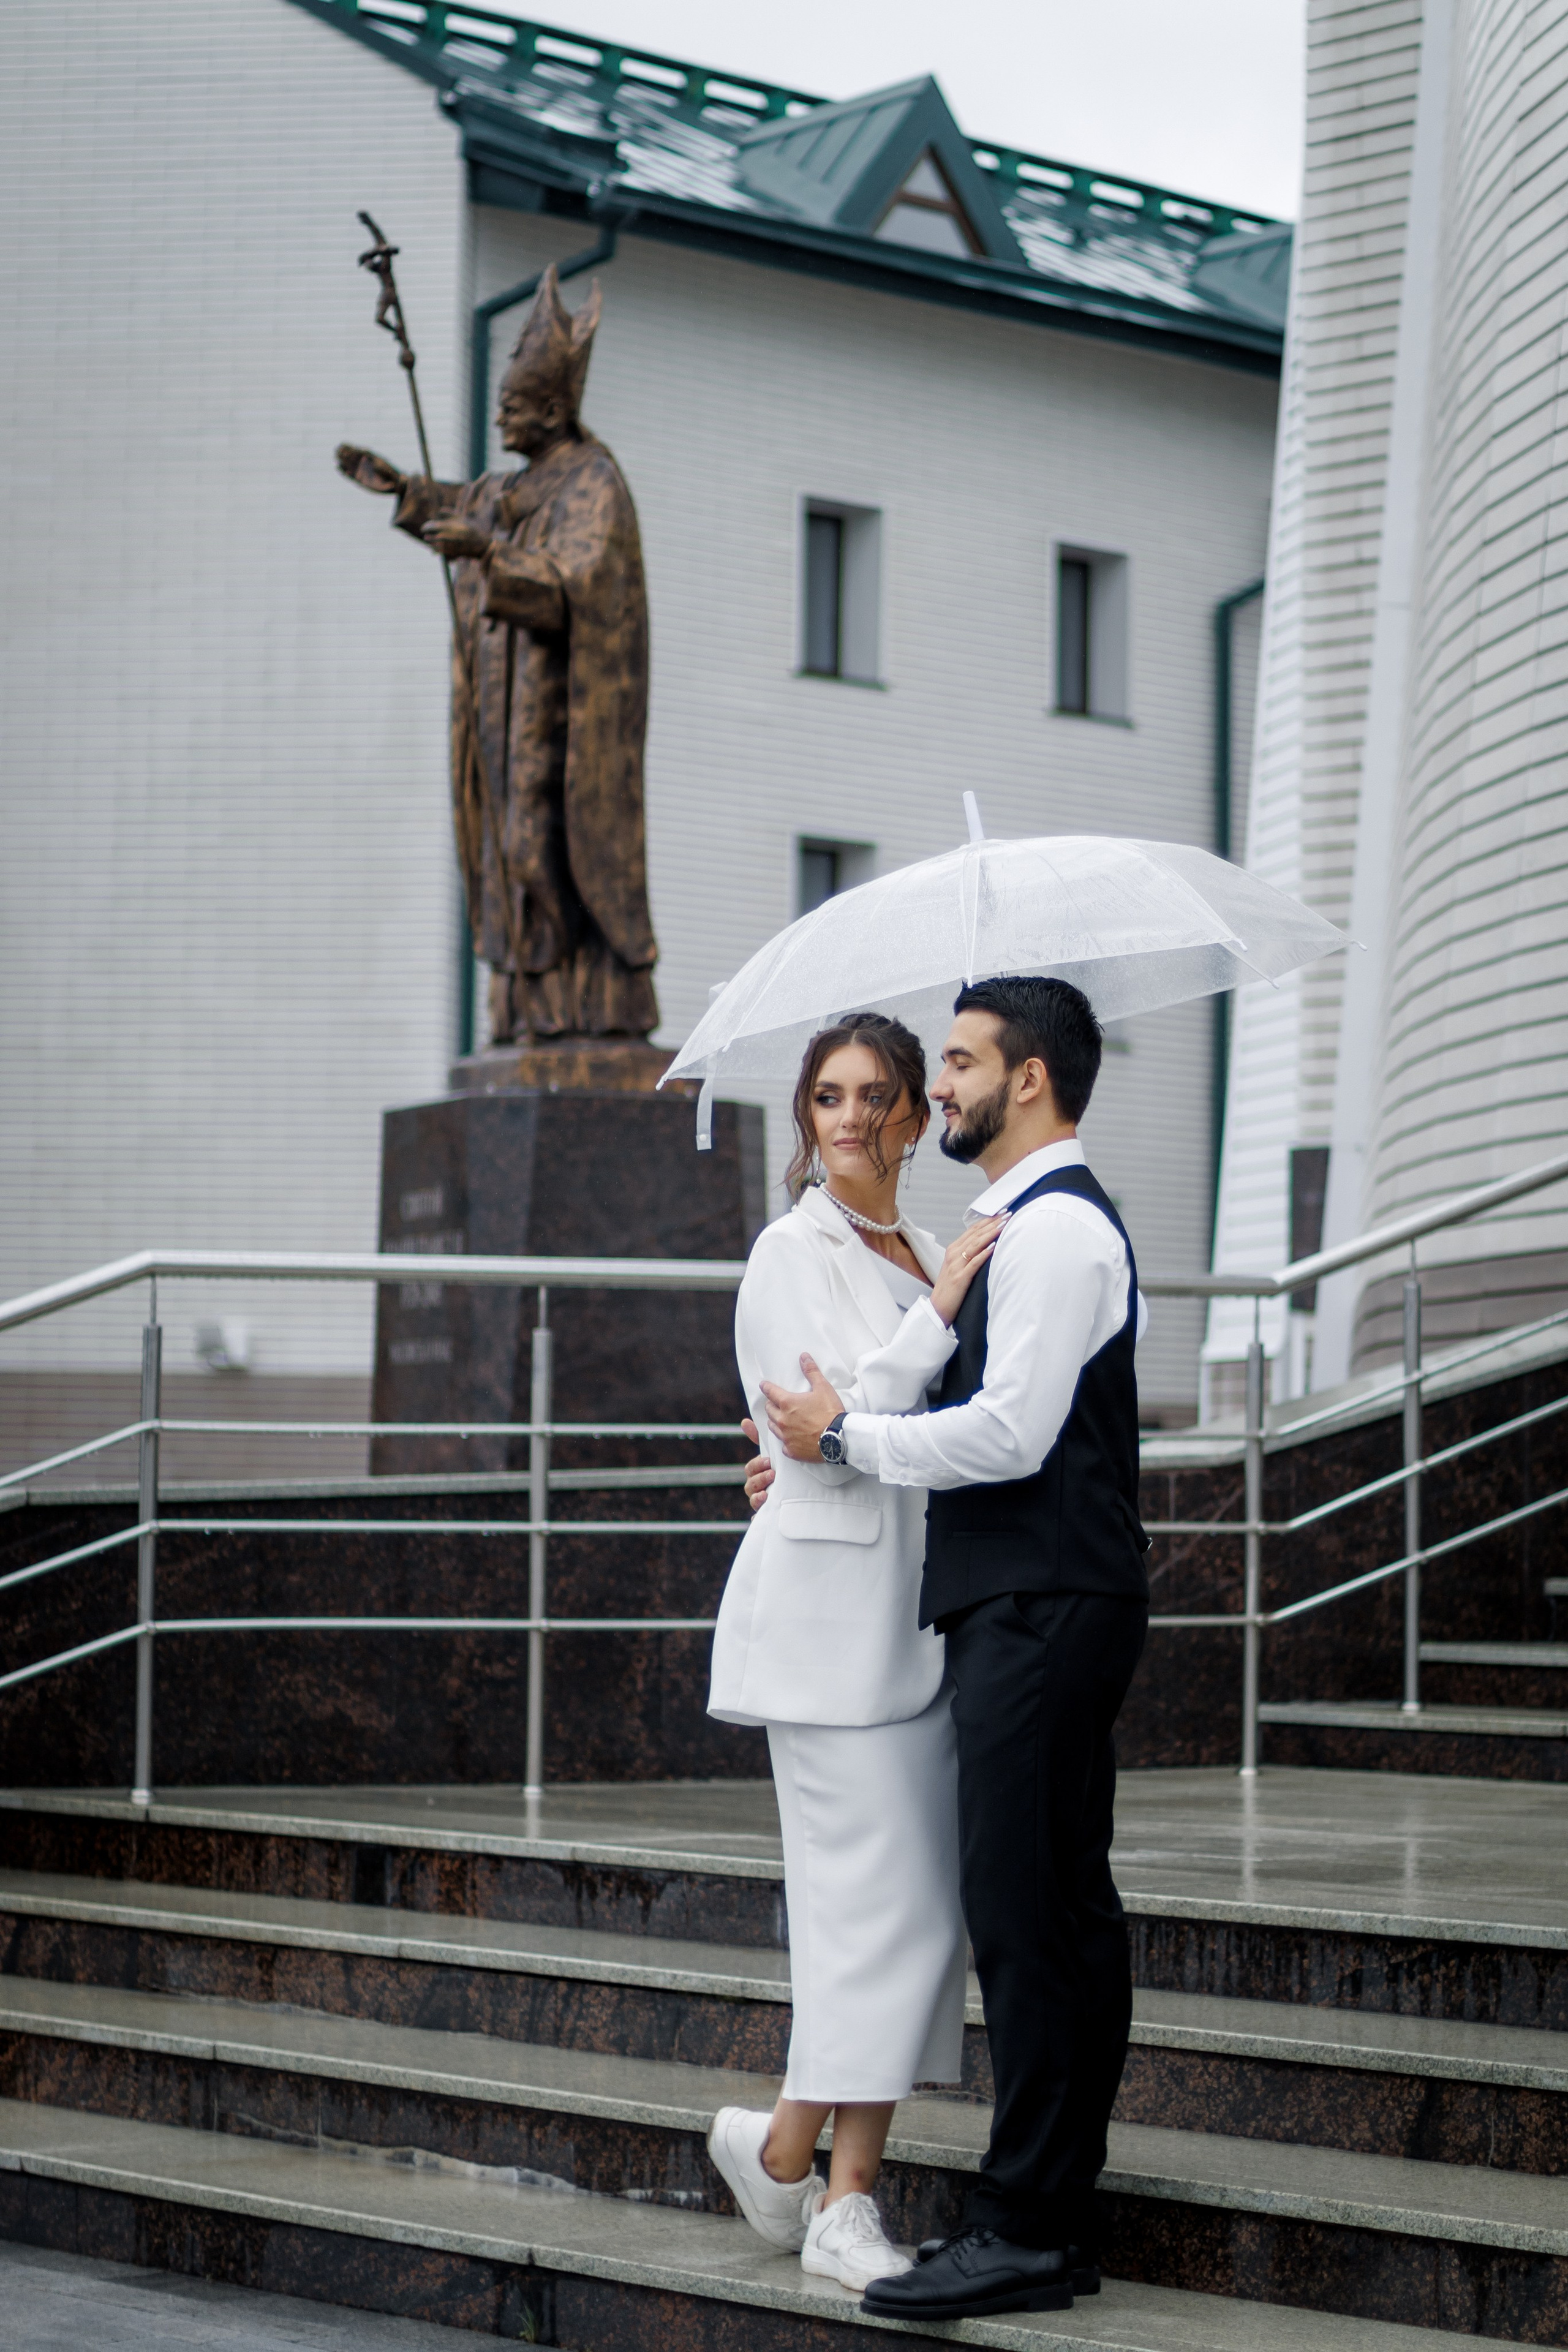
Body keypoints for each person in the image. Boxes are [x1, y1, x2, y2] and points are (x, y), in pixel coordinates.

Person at [760, 976, 1150, 2324]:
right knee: (1042, 1908)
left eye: (962, 1065)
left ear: (1023, 1081)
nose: (945, 1090)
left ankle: (1026, 2227)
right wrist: (806, 1457)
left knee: (1028, 1916)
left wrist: (846, 1444)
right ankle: (1038, 2211)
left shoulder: (1049, 1236)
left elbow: (1008, 1436)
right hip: (1024, 1604)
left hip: (1042, 1605)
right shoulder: (1012, 1229)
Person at [706, 1011, 1005, 2296]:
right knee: (861, 1924)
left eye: (871, 1094)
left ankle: (782, 2156)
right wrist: (935, 1315)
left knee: (918, 1922)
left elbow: (944, 1430)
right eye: (822, 1095)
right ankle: (839, 2206)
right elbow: (828, 1423)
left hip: (921, 1626)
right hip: (829, 1640)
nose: (844, 1117)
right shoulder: (791, 1252)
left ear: (907, 1117)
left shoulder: (933, 1242)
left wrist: (937, 1299)